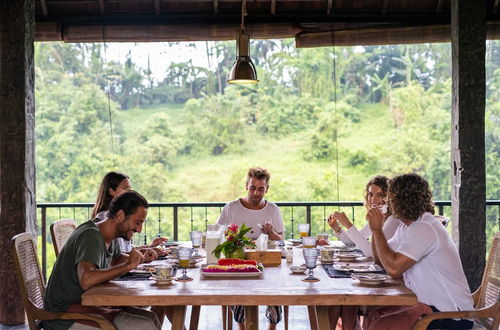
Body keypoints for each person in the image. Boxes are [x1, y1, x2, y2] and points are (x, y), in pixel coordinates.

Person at [365, 173, 474, 330]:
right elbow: (380, 260)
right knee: (374, 315)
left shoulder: (424, 227)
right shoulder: (407, 227)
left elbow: (393, 269)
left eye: (390, 196)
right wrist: (377, 228)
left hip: (452, 316)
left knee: (380, 325)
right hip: (427, 307)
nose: (387, 201)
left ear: (402, 200)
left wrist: (377, 230)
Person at [43, 190, 162, 330]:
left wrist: (140, 259)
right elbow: (86, 280)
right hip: (64, 315)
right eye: (137, 222)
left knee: (151, 318)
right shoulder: (91, 237)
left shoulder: (112, 233)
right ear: (119, 215)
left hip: (88, 306)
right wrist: (129, 265)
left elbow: (117, 259)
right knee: (145, 326)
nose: (140, 229)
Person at [216, 167, 284, 330]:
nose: (256, 192)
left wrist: (271, 232)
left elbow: (281, 240)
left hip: (267, 262)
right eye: (253, 187)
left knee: (276, 284)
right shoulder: (231, 207)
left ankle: (272, 327)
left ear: (267, 189)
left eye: (261, 189)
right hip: (239, 262)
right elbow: (218, 234)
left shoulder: (273, 209)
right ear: (246, 186)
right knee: (237, 285)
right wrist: (230, 234)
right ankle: (241, 326)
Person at [91, 171, 167, 260]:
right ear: (111, 191)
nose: (129, 192)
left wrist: (148, 247)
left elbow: (121, 253)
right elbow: (115, 258)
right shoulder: (106, 220)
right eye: (125, 189)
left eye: (130, 189)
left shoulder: (117, 218)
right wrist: (142, 255)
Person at [327, 175, 401, 257]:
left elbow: (372, 253)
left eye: (380, 195)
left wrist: (347, 223)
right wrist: (337, 229)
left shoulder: (394, 220)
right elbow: (353, 243)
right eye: (370, 194)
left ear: (389, 198)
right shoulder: (377, 217)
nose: (373, 200)